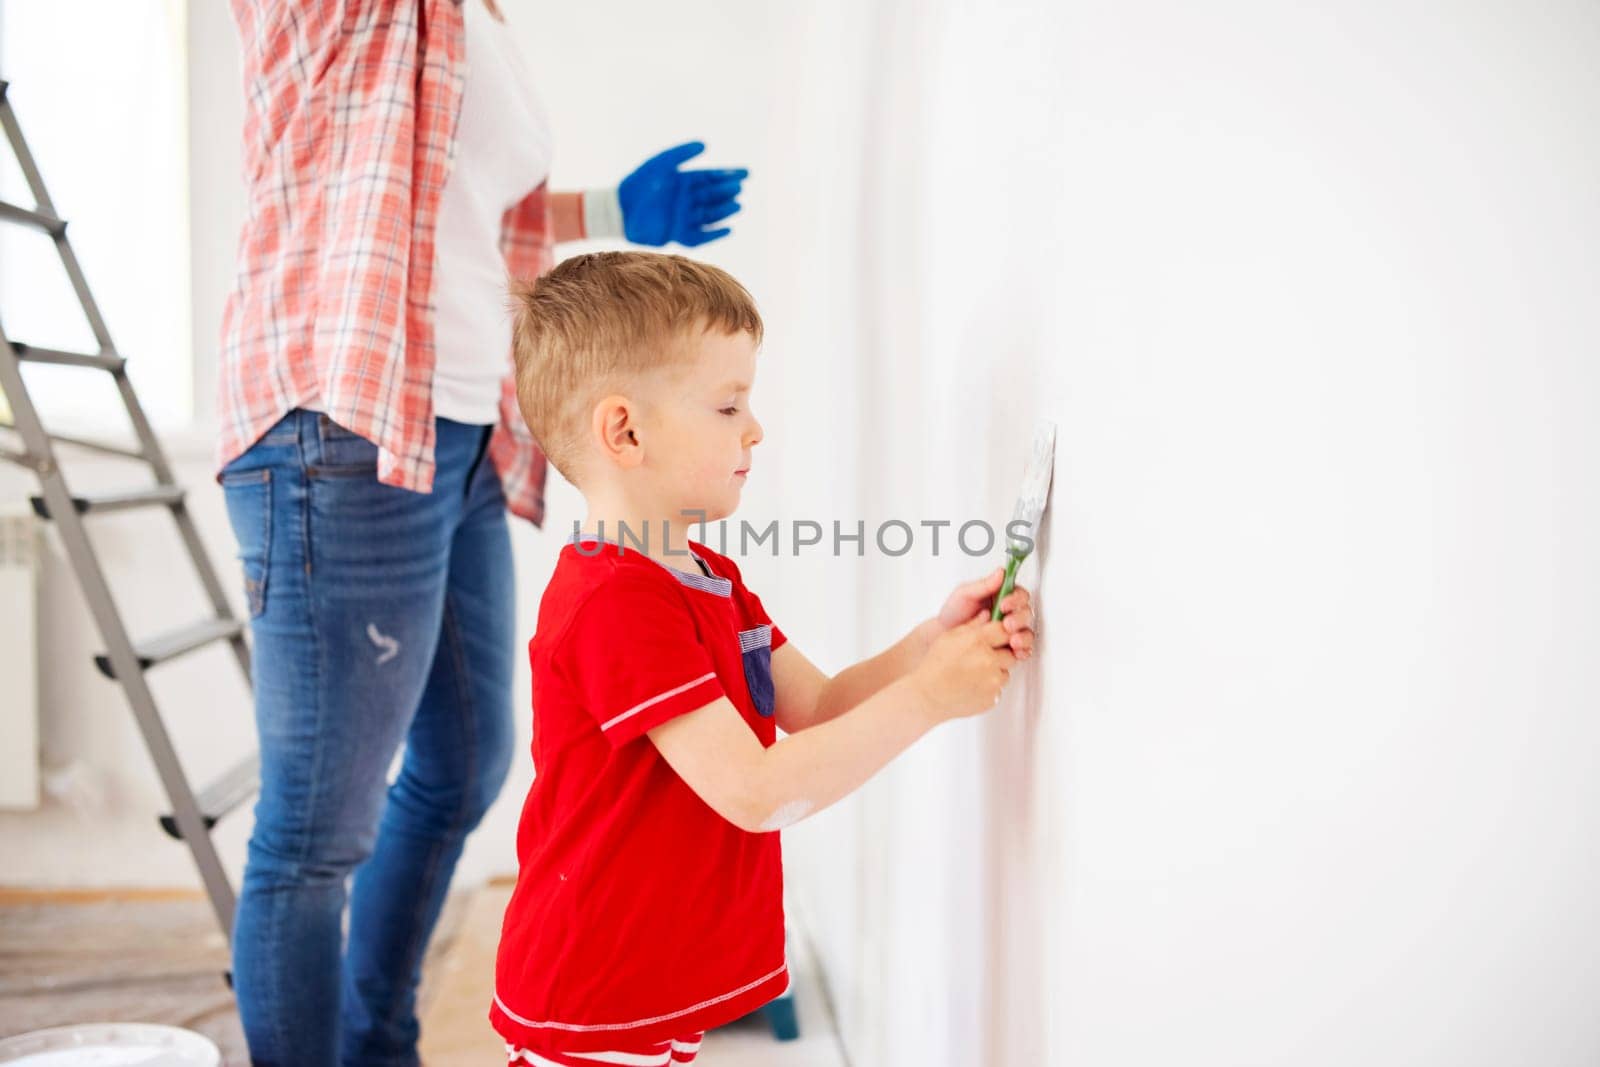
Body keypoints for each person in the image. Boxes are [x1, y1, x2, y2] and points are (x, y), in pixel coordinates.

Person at [213, 3, 748, 1064]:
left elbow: (452, 201)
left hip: (456, 425)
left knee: (465, 764)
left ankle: (376, 1043)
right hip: (342, 424)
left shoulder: (475, 18)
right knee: (317, 830)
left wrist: (606, 206)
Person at [490, 252, 1037, 1065]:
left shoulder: (711, 579)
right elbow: (754, 789)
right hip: (598, 985)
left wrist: (930, 643)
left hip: (656, 975)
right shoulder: (615, 600)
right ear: (625, 431)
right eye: (727, 404)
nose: (755, 427)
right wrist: (929, 697)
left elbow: (817, 707)